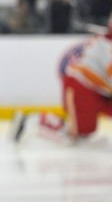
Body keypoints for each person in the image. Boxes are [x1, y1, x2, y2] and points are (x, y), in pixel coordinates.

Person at [12, 14, 112, 144]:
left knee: (84, 133)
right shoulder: (107, 47)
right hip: (80, 88)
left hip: (97, 91)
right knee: (79, 133)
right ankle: (30, 121)